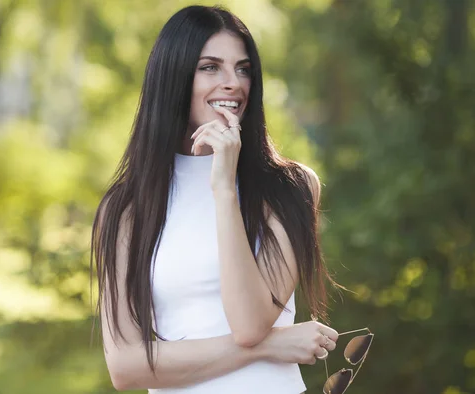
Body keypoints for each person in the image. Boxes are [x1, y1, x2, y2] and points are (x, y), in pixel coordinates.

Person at [90, 5, 340, 393]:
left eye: (243, 69)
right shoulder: (125, 208)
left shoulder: (290, 187)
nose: (232, 83)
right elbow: (126, 368)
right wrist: (270, 346)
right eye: (210, 67)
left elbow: (249, 323)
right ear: (174, 78)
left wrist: (224, 188)